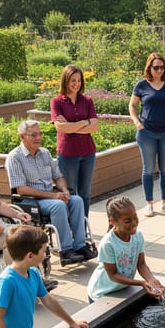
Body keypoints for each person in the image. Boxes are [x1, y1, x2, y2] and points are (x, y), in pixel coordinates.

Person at [0, 225, 89, 328]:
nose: (46, 254)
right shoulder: (7, 281)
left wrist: (71, 322)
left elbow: (48, 301)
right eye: (44, 250)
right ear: (30, 255)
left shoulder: (33, 272)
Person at [5, 120, 95, 264]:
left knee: (77, 200)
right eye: (33, 135)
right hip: (31, 200)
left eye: (40, 133)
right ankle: (66, 251)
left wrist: (64, 191)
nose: (38, 137)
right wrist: (54, 196)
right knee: (58, 205)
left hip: (51, 196)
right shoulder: (15, 157)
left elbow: (58, 176)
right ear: (22, 136)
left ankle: (80, 245)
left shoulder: (44, 153)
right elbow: (21, 189)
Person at [129, 52, 165, 218]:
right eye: (156, 67)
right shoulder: (141, 85)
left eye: (161, 67)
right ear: (149, 68)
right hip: (147, 134)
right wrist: (138, 123)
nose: (159, 70)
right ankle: (149, 204)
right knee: (148, 170)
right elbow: (132, 106)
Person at [87, 196, 164, 302]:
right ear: (113, 221)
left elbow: (141, 264)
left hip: (122, 288)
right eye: (128, 221)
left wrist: (151, 280)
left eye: (135, 217)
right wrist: (141, 283)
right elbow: (113, 275)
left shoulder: (138, 236)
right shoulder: (108, 244)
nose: (133, 223)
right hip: (102, 293)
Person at [51, 64, 98, 217]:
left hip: (87, 153)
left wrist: (70, 126)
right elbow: (60, 128)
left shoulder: (87, 100)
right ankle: (71, 224)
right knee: (69, 191)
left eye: (78, 80)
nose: (76, 84)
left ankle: (83, 226)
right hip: (68, 154)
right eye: (72, 80)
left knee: (85, 192)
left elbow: (94, 127)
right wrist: (84, 122)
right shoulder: (57, 102)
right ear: (65, 81)